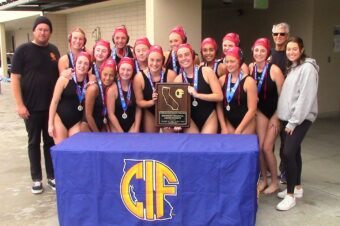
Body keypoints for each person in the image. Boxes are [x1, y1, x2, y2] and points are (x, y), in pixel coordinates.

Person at [11, 16, 60, 194]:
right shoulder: (23, 51)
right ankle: (36, 179)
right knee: (33, 142)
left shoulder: (53, 50)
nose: (43, 32)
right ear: (34, 31)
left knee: (50, 142)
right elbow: (15, 79)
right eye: (40, 29)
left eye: (46, 29)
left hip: (50, 108)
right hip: (30, 108)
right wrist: (20, 104)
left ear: (50, 32)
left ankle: (51, 176)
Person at [276, 36, 319, 211]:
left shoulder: (308, 68)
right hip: (288, 117)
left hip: (300, 119)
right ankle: (298, 188)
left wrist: (293, 122)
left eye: (294, 49)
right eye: (288, 49)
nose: (291, 52)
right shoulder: (293, 67)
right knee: (295, 153)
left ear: (301, 50)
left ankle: (290, 195)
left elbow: (305, 98)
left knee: (287, 153)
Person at [249, 38, 285, 194]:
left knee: (267, 148)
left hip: (276, 112)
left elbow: (284, 96)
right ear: (252, 51)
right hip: (260, 112)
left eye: (262, 50)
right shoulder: (250, 68)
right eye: (256, 50)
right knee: (259, 147)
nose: (259, 53)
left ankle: (275, 182)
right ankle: (264, 179)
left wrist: (277, 116)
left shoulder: (274, 70)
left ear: (267, 52)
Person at [174, 43, 223, 133]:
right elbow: (178, 105)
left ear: (192, 55)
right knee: (193, 145)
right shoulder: (178, 80)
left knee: (206, 145)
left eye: (186, 54)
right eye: (180, 56)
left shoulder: (206, 71)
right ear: (177, 59)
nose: (184, 58)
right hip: (190, 119)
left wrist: (197, 95)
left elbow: (219, 96)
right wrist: (177, 120)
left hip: (209, 116)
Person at [48, 52, 92, 144]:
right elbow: (54, 101)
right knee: (61, 151)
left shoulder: (90, 80)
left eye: (86, 63)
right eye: (79, 62)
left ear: (89, 67)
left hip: (76, 121)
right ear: (75, 64)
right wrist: (50, 124)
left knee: (74, 150)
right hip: (60, 119)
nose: (82, 66)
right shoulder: (64, 79)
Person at [134, 45, 177, 133]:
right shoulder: (139, 78)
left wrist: (173, 117)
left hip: (167, 110)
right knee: (151, 140)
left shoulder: (171, 75)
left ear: (163, 61)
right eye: (152, 60)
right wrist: (152, 102)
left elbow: (177, 100)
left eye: (158, 60)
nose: (154, 63)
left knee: (170, 140)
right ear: (147, 60)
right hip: (150, 110)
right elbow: (139, 102)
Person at [216, 47, 257, 134]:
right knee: (229, 146)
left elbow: (252, 109)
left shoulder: (249, 82)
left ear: (239, 61)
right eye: (227, 62)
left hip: (246, 123)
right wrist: (223, 126)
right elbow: (219, 106)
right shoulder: (222, 80)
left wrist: (239, 129)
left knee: (242, 146)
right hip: (229, 122)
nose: (229, 64)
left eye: (232, 61)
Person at [270, 22, 290, 184]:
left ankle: (286, 171)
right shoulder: (268, 55)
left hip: (288, 107)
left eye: (282, 34)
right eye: (276, 34)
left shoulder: (291, 55)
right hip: (269, 107)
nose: (278, 37)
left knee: (287, 144)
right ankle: (270, 170)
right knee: (268, 143)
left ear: (287, 36)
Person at [107, 57, 142, 132]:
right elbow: (111, 114)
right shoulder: (112, 89)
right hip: (116, 125)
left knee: (132, 142)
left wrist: (136, 128)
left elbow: (138, 109)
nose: (125, 72)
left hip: (132, 124)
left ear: (133, 71)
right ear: (118, 70)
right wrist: (121, 132)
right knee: (119, 142)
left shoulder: (135, 85)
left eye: (129, 70)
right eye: (123, 69)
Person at [85, 58, 116, 132]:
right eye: (105, 74)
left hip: (101, 125)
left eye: (111, 75)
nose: (108, 78)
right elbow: (88, 116)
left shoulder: (109, 88)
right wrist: (98, 134)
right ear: (100, 73)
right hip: (88, 127)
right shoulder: (93, 89)